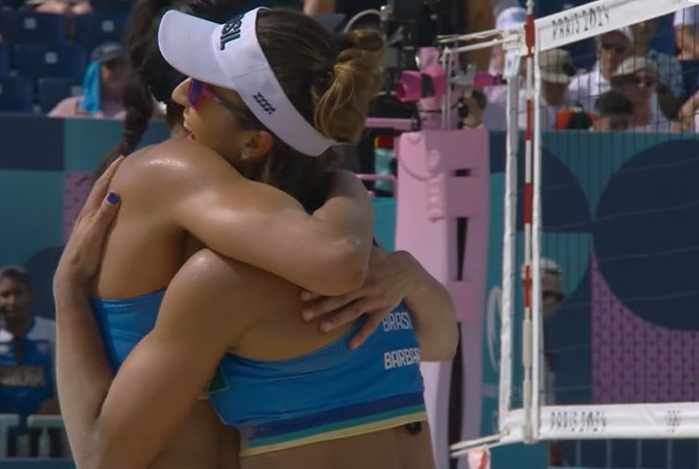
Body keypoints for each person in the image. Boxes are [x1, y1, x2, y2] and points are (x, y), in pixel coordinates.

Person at [54, 7, 456, 469]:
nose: (181, 93)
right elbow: (436, 341)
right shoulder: (345, 239)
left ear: (253, 143)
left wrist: (66, 294)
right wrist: (348, 190)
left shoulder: (230, 270)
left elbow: (102, 459)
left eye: (202, 86)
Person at [49, 42, 128, 119]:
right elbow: (46, 130)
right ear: (94, 71)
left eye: (123, 65)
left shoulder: (137, 110)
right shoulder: (71, 107)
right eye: (111, 65)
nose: (118, 70)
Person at [568, 28, 633, 109]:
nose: (611, 54)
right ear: (598, 51)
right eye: (606, 47)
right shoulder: (579, 85)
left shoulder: (639, 87)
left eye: (619, 49)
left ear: (628, 54)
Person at [610, 56, 672, 132]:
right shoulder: (607, 124)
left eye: (649, 81)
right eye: (635, 80)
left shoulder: (667, 125)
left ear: (655, 85)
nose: (643, 86)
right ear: (621, 85)